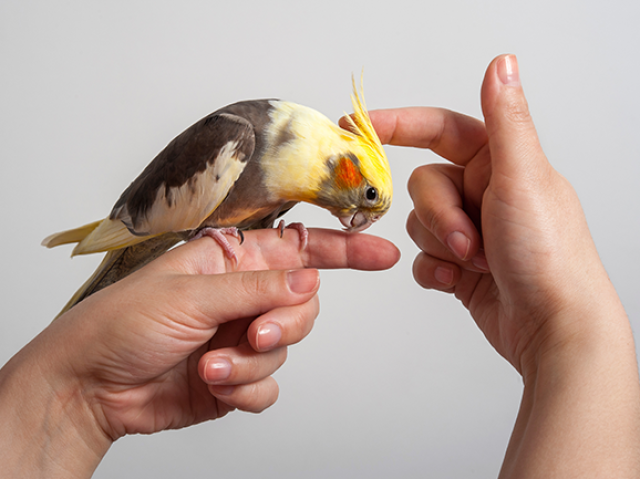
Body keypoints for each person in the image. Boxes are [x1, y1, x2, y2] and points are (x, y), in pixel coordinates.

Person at [0, 54, 638, 478]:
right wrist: (573, 335)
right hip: (154, 222)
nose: (359, 218)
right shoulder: (247, 137)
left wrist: (73, 398)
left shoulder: (297, 172)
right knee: (103, 291)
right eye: (366, 201)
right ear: (348, 170)